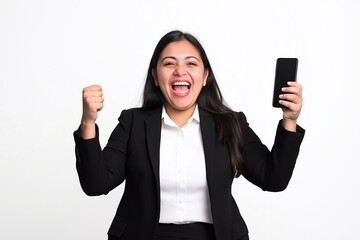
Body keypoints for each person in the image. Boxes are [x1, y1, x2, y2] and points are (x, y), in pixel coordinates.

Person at [74, 30, 305, 240]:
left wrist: (289, 121)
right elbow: (95, 184)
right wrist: (88, 121)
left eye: (191, 63)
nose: (180, 71)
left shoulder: (230, 124)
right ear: (155, 77)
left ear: (205, 76)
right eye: (169, 63)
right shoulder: (133, 123)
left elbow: (273, 179)